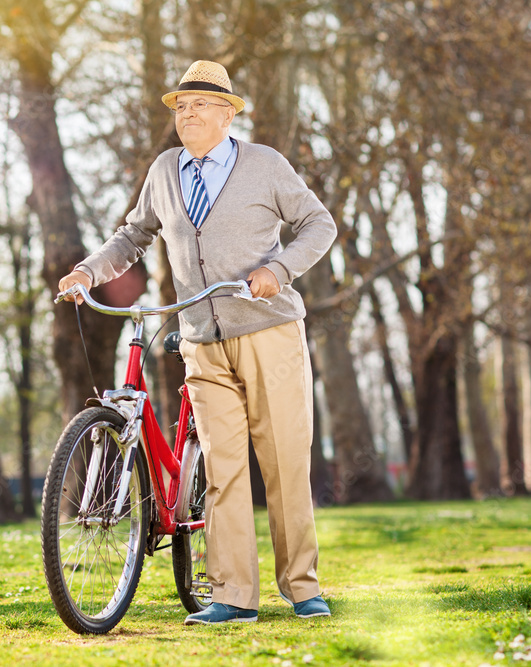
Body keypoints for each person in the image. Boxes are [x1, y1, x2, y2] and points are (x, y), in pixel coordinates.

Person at [58, 60, 337, 625]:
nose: (187, 114)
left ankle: (302, 586)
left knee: (283, 462)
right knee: (224, 469)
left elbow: (319, 224)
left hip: (270, 332)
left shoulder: (264, 165)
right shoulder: (164, 170)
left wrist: (278, 271)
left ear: (228, 113)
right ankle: (233, 596)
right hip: (200, 341)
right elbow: (133, 235)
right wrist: (88, 272)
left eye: (200, 105)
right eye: (181, 106)